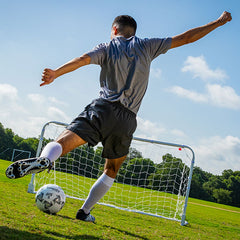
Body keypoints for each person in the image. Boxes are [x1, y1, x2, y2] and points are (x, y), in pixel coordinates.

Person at [6, 12, 232, 222]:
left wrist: (56, 73)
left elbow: (83, 59)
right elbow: (186, 38)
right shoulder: (147, 45)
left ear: (114, 30)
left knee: (64, 141)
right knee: (111, 169)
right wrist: (218, 22)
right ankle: (84, 212)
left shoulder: (107, 46)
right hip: (127, 120)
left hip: (103, 108)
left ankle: (47, 159)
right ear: (133, 31)